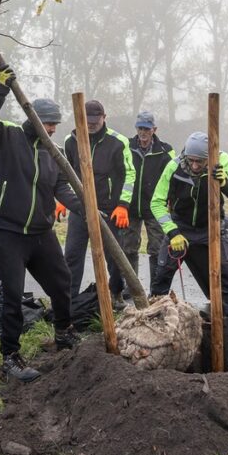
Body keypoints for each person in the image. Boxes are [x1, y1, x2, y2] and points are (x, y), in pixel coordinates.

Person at [0, 66, 84, 383]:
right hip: (8, 231)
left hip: (41, 232)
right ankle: (10, 357)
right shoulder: (8, 136)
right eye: (48, 123)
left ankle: (64, 333)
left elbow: (61, 187)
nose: (52, 129)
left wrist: (86, 209)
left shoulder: (54, 151)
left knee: (62, 282)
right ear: (33, 117)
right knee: (11, 294)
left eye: (55, 124)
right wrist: (0, 90)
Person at [151, 132, 228, 315]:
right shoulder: (174, 166)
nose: (195, 165)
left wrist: (225, 182)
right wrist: (172, 232)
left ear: (209, 158)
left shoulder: (222, 160)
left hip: (212, 226)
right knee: (162, 274)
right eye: (191, 160)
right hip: (180, 225)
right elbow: (156, 203)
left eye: (200, 161)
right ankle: (156, 317)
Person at [62, 99, 136, 306]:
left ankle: (116, 293)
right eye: (88, 120)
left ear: (105, 118)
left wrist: (123, 205)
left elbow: (130, 175)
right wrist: (62, 199)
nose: (92, 124)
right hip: (80, 208)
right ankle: (70, 300)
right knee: (72, 255)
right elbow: (65, 171)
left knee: (114, 257)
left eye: (96, 119)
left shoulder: (118, 142)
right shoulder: (71, 140)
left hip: (109, 209)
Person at [126, 111, 176, 296]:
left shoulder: (165, 150)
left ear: (154, 129)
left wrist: (170, 201)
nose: (143, 132)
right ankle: (130, 288)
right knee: (128, 247)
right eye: (140, 128)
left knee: (156, 248)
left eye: (146, 128)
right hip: (130, 206)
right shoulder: (127, 146)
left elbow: (173, 177)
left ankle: (156, 291)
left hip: (155, 207)